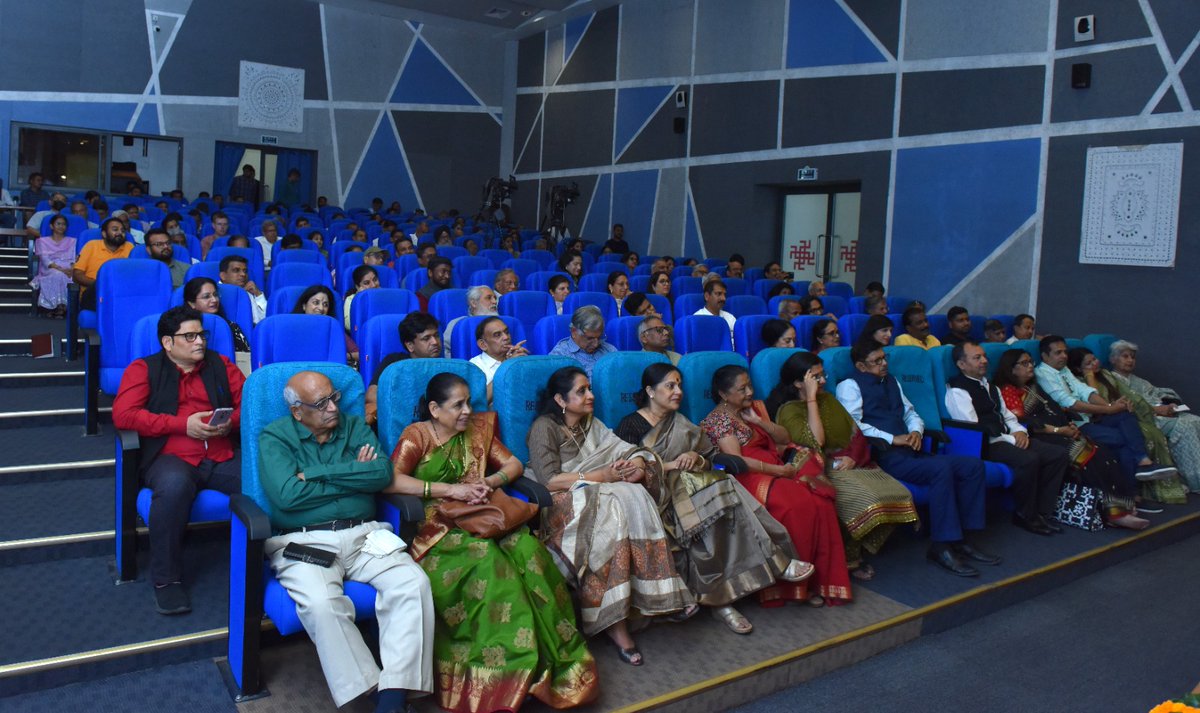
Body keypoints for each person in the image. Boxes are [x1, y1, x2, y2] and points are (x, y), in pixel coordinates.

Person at [387, 374, 598, 711]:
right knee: (490, 565)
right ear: (434, 409)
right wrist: (449, 490)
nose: (468, 410)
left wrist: (489, 481)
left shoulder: (479, 430)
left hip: (485, 515)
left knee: (529, 550)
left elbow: (513, 463)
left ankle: (549, 664)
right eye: (458, 405)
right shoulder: (417, 436)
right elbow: (392, 481)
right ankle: (501, 678)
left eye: (469, 402)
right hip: (440, 529)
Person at [258, 371, 434, 712]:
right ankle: (365, 691)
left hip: (366, 532)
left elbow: (381, 474)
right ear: (297, 412)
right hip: (305, 540)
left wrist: (316, 474)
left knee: (413, 583)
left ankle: (394, 694)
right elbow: (287, 497)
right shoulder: (275, 437)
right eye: (320, 403)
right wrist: (354, 473)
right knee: (322, 604)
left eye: (334, 397)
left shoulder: (353, 426)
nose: (333, 408)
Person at [615, 364, 815, 634]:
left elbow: (709, 457)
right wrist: (672, 465)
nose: (678, 392)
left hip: (696, 487)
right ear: (650, 391)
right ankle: (752, 581)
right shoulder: (631, 425)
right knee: (715, 499)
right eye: (670, 386)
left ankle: (737, 591)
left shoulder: (681, 422)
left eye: (679, 385)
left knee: (724, 489)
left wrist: (695, 457)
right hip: (658, 496)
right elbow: (628, 472)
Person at [526, 367, 696, 665]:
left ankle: (656, 593)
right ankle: (615, 626)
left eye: (589, 388)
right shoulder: (545, 427)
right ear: (560, 399)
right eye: (582, 391)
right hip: (559, 500)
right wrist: (599, 476)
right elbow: (548, 480)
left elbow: (627, 449)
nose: (591, 395)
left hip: (595, 490)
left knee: (634, 493)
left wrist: (638, 465)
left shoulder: (590, 423)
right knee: (612, 509)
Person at [112, 306, 243, 614]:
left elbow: (248, 405)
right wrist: (182, 425)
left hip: (221, 451)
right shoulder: (143, 369)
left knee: (262, 481)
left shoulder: (222, 365)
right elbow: (124, 415)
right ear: (167, 343)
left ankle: (269, 562)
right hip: (171, 455)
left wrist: (230, 423)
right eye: (190, 336)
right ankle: (166, 580)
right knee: (172, 487)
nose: (199, 341)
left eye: (202, 334)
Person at [835, 340, 997, 577]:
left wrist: (915, 432)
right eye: (877, 361)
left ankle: (962, 538)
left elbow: (910, 413)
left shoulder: (891, 380)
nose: (884, 364)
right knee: (940, 470)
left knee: (972, 466)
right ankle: (941, 546)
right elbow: (855, 426)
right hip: (884, 455)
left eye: (884, 358)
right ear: (860, 366)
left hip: (912, 451)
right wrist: (892, 438)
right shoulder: (849, 386)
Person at [700, 365, 851, 605]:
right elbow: (738, 461)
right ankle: (792, 587)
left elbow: (784, 438)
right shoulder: (718, 420)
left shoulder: (756, 408)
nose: (750, 392)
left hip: (777, 466)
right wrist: (779, 470)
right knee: (798, 505)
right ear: (723, 394)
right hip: (750, 476)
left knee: (821, 503)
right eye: (742, 389)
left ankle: (820, 582)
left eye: (750, 385)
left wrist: (760, 422)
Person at [768, 351, 919, 579]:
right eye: (816, 378)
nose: (823, 381)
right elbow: (813, 444)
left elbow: (854, 434)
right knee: (867, 499)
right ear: (799, 382)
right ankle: (849, 559)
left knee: (897, 492)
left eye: (823, 375)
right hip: (819, 469)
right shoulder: (788, 410)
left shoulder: (828, 399)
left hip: (850, 463)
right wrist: (810, 400)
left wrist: (852, 457)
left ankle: (855, 551)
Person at [992, 349, 1148, 529]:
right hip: (1041, 436)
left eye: (1030, 362)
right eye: (1024, 363)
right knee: (1087, 457)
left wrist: (1069, 426)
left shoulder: (1031, 387)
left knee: (1103, 452)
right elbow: (1025, 423)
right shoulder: (1007, 392)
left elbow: (1056, 410)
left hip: (1062, 432)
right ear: (1011, 369)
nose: (1030, 367)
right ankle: (1112, 513)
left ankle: (1123, 506)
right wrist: (1060, 430)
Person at [946, 342, 1068, 535]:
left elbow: (1008, 416)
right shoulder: (957, 390)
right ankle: (1024, 515)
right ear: (961, 364)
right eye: (977, 358)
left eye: (984, 356)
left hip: (1005, 437)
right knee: (1029, 459)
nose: (984, 361)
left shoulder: (991, 386)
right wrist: (1012, 439)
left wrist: (1019, 431)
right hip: (985, 444)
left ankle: (1042, 512)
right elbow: (973, 428)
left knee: (1058, 454)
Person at [1035, 336, 1175, 482]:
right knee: (1122, 439)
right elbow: (1069, 403)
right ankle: (1134, 491)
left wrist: (1110, 406)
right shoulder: (1043, 374)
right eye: (1058, 353)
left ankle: (1143, 464)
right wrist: (1108, 410)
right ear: (1045, 356)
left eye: (1065, 352)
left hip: (1091, 417)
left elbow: (1085, 391)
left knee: (1124, 414)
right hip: (1075, 425)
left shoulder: (1063, 370)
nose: (1064, 356)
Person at [1069, 347, 1189, 504]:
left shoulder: (1106, 374)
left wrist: (1126, 403)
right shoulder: (1077, 382)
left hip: (1112, 416)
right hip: (1093, 421)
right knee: (1126, 437)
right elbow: (1094, 399)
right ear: (1078, 368)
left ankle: (1140, 470)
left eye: (1094, 359)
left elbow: (1127, 395)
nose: (1094, 363)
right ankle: (1136, 482)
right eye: (1088, 363)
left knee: (1127, 419)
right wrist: (1090, 376)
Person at [1109, 340, 1200, 492]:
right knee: (1185, 426)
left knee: (1196, 421)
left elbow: (1157, 394)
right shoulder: (1111, 380)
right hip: (1140, 418)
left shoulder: (1139, 381)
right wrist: (1157, 410)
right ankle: (1193, 479)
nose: (1130, 360)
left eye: (1132, 357)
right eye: (1125, 356)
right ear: (1113, 359)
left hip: (1160, 413)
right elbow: (1127, 404)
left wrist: (1168, 404)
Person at [366, 312, 442, 425]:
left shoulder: (446, 365)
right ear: (410, 345)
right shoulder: (394, 362)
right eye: (426, 338)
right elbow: (372, 396)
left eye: (436, 335)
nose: (435, 342)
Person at [184, 277, 251, 371]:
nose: (214, 300)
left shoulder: (232, 327)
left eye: (215, 295)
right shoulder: (183, 330)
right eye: (206, 296)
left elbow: (245, 360)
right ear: (192, 303)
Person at [73, 217, 132, 309]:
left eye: (122, 230)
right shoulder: (91, 246)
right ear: (104, 234)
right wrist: (100, 284)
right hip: (94, 292)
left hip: (120, 292)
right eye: (115, 230)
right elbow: (77, 275)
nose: (120, 233)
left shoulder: (130, 247)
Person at [468, 316, 529, 403]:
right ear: (483, 344)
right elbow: (480, 401)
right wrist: (507, 366)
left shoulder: (517, 359)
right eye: (497, 335)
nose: (506, 337)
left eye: (507, 332)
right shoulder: (475, 365)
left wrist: (526, 365)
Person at [293, 285, 358, 366]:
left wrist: (342, 356)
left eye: (325, 304)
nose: (321, 308)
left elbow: (358, 354)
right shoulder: (292, 328)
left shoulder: (333, 329)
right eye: (316, 303)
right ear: (304, 305)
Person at [548, 306, 616, 380]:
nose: (596, 344)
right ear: (574, 332)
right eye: (590, 338)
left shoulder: (610, 351)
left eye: (599, 338)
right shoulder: (560, 357)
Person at [31, 214, 76, 316]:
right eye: (58, 224)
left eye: (64, 224)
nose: (61, 226)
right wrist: (61, 269)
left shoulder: (72, 241)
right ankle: (55, 306)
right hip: (50, 268)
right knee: (57, 274)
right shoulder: (42, 241)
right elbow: (45, 260)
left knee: (72, 276)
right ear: (51, 226)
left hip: (68, 267)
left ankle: (63, 306)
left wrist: (72, 269)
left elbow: (74, 258)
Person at [442, 285, 497, 358]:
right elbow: (444, 351)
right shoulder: (458, 324)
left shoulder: (503, 324)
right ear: (474, 303)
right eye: (489, 298)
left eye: (495, 298)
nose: (494, 302)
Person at [218, 255, 267, 324]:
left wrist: (258, 294)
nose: (243, 274)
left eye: (245, 271)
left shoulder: (248, 293)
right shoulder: (214, 293)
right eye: (236, 270)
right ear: (223, 276)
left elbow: (263, 321)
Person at [342, 264, 381, 332]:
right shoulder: (351, 299)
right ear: (357, 287)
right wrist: (359, 299)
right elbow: (349, 325)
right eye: (366, 283)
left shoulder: (386, 295)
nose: (373, 285)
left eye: (375, 280)